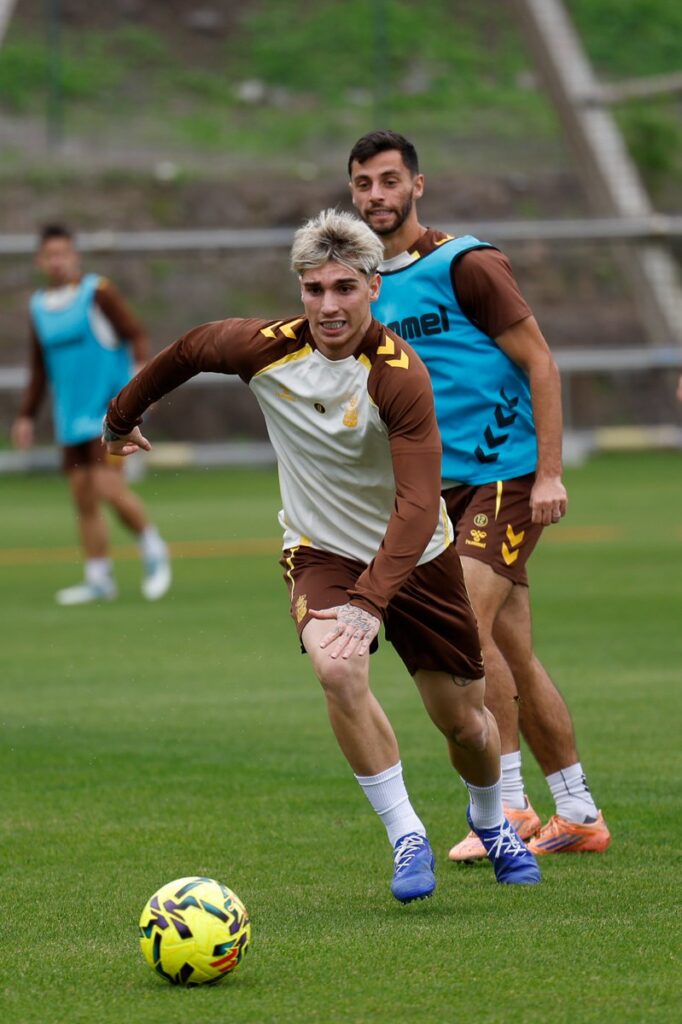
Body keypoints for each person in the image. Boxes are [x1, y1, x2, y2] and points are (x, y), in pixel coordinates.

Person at [102, 208, 540, 901]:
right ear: (300, 289)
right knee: (337, 669)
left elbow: (418, 506)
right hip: (320, 550)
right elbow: (189, 350)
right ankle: (407, 836)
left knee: (466, 723)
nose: (329, 305)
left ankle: (491, 821)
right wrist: (120, 417)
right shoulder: (266, 349)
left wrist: (373, 601)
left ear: (373, 287)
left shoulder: (399, 375)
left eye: (344, 288)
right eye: (314, 289)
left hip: (417, 555)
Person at [348, 131, 611, 858]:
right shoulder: (363, 286)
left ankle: (510, 808)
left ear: (417, 186)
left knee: (463, 622)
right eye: (364, 183)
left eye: (390, 180)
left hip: (507, 474)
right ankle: (578, 812)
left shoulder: (466, 263)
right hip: (438, 489)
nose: (377, 195)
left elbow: (541, 363)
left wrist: (550, 472)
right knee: (510, 650)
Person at [11, 224, 171, 606]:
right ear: (40, 261)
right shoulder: (39, 307)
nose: (57, 261)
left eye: (63, 253)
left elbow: (136, 334)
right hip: (70, 420)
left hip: (108, 415)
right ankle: (99, 578)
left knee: (108, 488)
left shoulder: (97, 293)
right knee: (83, 498)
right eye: (50, 255)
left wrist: (141, 384)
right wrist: (26, 415)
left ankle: (153, 549)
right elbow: (39, 367)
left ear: (75, 256)